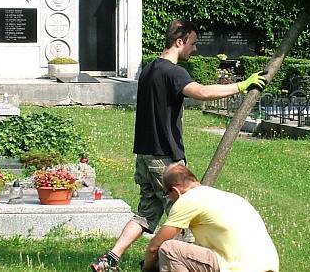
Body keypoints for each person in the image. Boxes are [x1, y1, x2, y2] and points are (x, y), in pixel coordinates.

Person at [91, 19, 268, 272]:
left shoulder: (149, 69)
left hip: (145, 154)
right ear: (179, 42)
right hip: (165, 158)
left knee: (145, 213)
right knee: (184, 218)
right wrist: (241, 85)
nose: (195, 50)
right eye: (193, 44)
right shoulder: (174, 72)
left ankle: (110, 258)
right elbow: (202, 92)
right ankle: (173, 262)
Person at [142, 163, 279, 272]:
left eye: (167, 195)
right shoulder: (231, 198)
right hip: (268, 266)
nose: (169, 200)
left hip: (237, 267)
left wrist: (147, 268)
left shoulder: (188, 199)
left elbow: (154, 247)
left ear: (176, 190)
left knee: (169, 249)